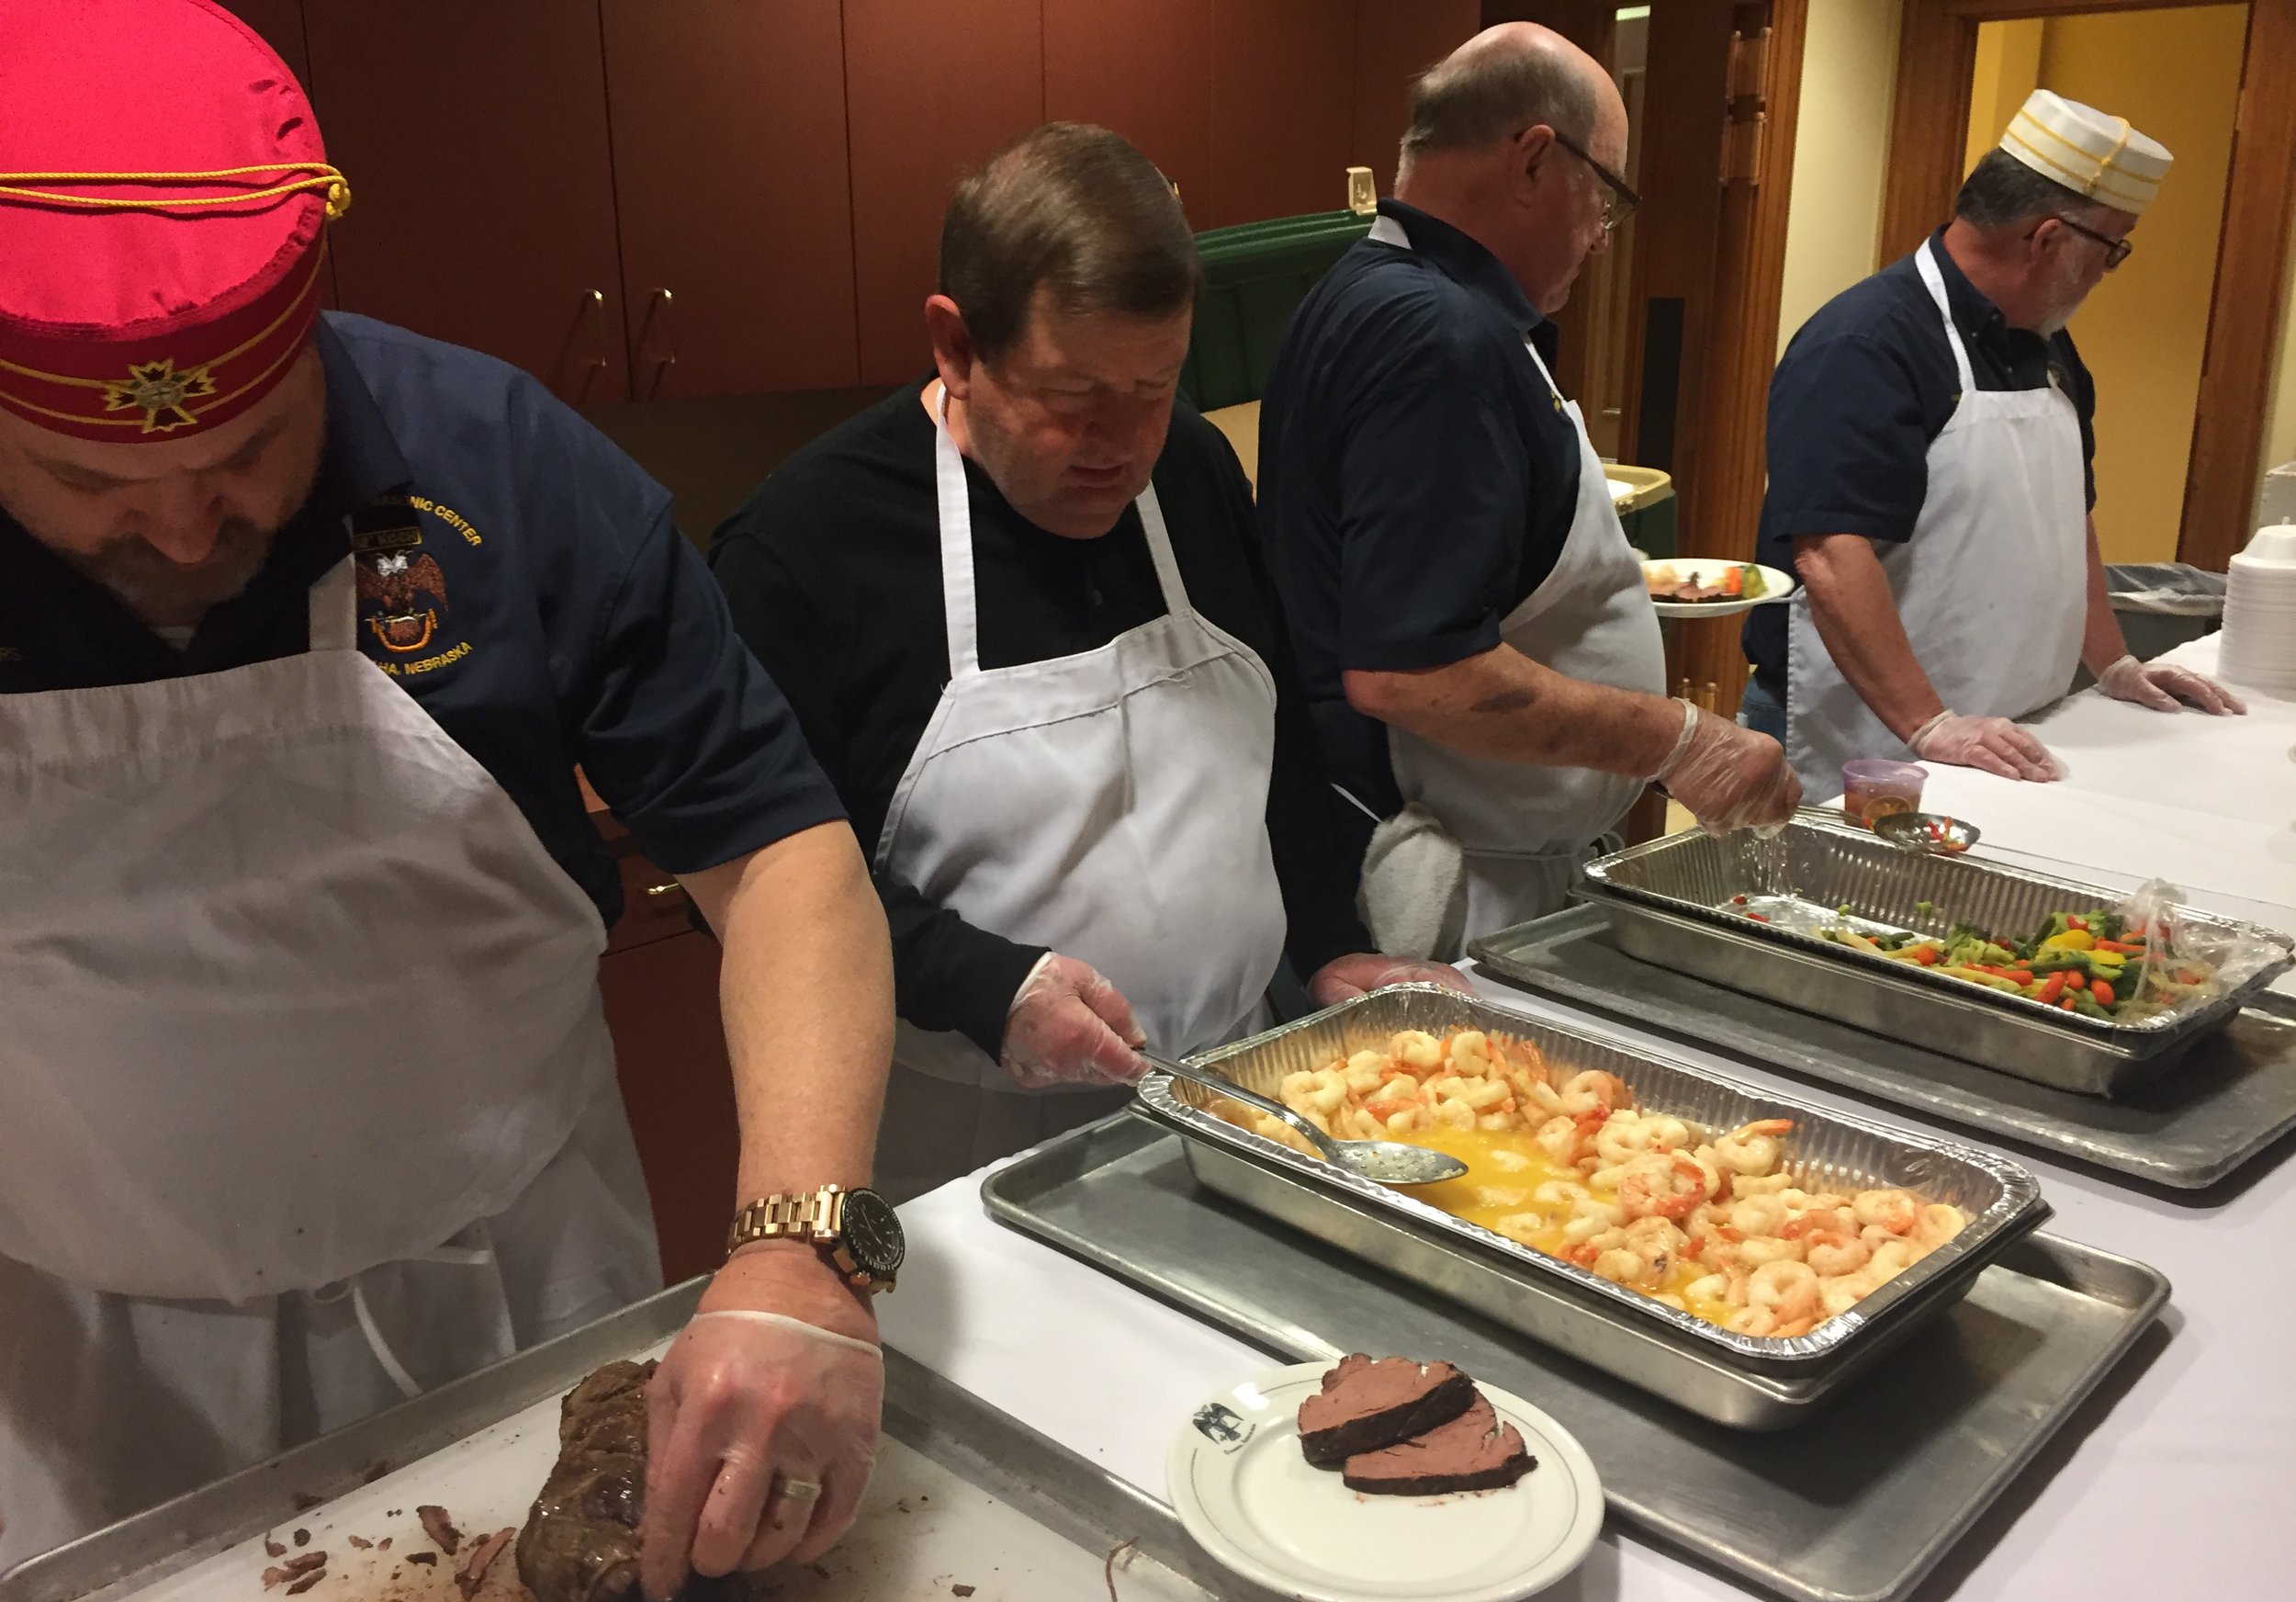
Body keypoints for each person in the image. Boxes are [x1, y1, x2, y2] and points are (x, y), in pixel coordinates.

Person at [0, 0, 895, 1601]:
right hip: (79, 1358)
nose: (195, 528)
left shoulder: (505, 471)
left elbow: (778, 856)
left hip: (514, 1291)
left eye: (257, 455)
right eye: (94, 487)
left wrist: (796, 1244)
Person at [712, 124, 1464, 1201]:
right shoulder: (807, 546)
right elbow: (763, 882)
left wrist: (1328, 940)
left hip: (1238, 1095)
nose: (1121, 445)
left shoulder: (1193, 473)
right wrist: (983, 984)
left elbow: (1274, 753)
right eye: (1074, 399)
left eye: (1155, 389)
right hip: (968, 1135)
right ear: (956, 346)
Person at [1258, 24, 1799, 960]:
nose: (1600, 235)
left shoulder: (1383, 294)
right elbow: (1411, 671)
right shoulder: (1434, 335)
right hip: (1454, 889)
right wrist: (1679, 741)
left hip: (1485, 854)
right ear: (1535, 159)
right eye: (1608, 197)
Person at [1740, 90, 2243, 800]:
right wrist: (1930, 724)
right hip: (1871, 740)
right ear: (2046, 238)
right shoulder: (1865, 345)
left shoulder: (2047, 343)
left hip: (2006, 733)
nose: (2107, 273)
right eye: (2113, 248)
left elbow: (2068, 519)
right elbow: (1829, 553)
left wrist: (2114, 664)